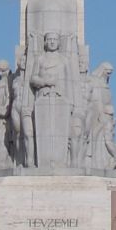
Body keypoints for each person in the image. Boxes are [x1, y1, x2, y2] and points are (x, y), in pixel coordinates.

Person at [30, 30, 73, 167]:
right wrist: (44, 82)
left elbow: (69, 82)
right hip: (43, 98)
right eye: (49, 39)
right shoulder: (40, 59)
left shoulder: (64, 60)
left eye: (55, 39)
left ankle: (61, 161)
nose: (52, 42)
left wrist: (71, 103)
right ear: (45, 42)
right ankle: (42, 161)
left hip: (61, 99)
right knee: (43, 132)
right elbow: (33, 78)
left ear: (59, 42)